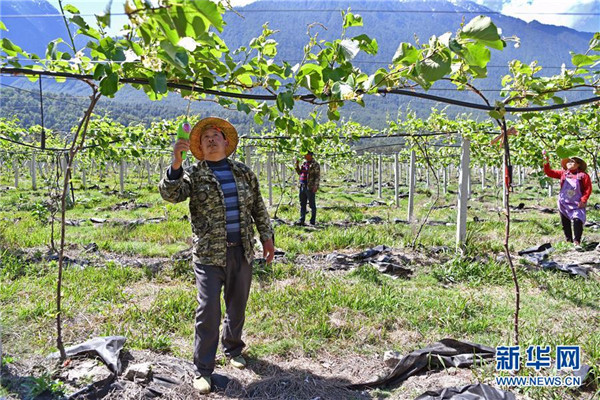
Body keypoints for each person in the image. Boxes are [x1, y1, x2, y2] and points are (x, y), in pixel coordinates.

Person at [159, 117, 275, 394]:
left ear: (225, 141)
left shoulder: (243, 172)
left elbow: (257, 206)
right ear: (199, 146)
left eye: (215, 135)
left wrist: (267, 236)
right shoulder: (193, 174)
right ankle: (203, 369)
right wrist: (176, 163)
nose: (210, 140)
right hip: (209, 255)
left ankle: (233, 348)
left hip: (242, 250)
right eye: (205, 137)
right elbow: (171, 195)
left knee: (237, 305)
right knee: (208, 311)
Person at [543, 154, 592, 250]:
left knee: (578, 219)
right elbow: (549, 172)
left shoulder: (583, 175)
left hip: (577, 203)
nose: (569, 163)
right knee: (565, 222)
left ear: (578, 164)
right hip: (564, 203)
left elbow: (588, 189)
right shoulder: (563, 173)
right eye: (568, 161)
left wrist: (583, 200)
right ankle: (568, 241)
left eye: (572, 161)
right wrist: (546, 161)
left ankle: (577, 241)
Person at [294, 151, 321, 226]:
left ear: (310, 155)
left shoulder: (315, 164)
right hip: (302, 185)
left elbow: (317, 176)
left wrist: (316, 186)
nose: (304, 156)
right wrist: (296, 165)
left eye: (306, 154)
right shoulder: (304, 163)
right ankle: (301, 220)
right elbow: (300, 173)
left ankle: (312, 221)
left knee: (312, 205)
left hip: (310, 186)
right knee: (302, 204)